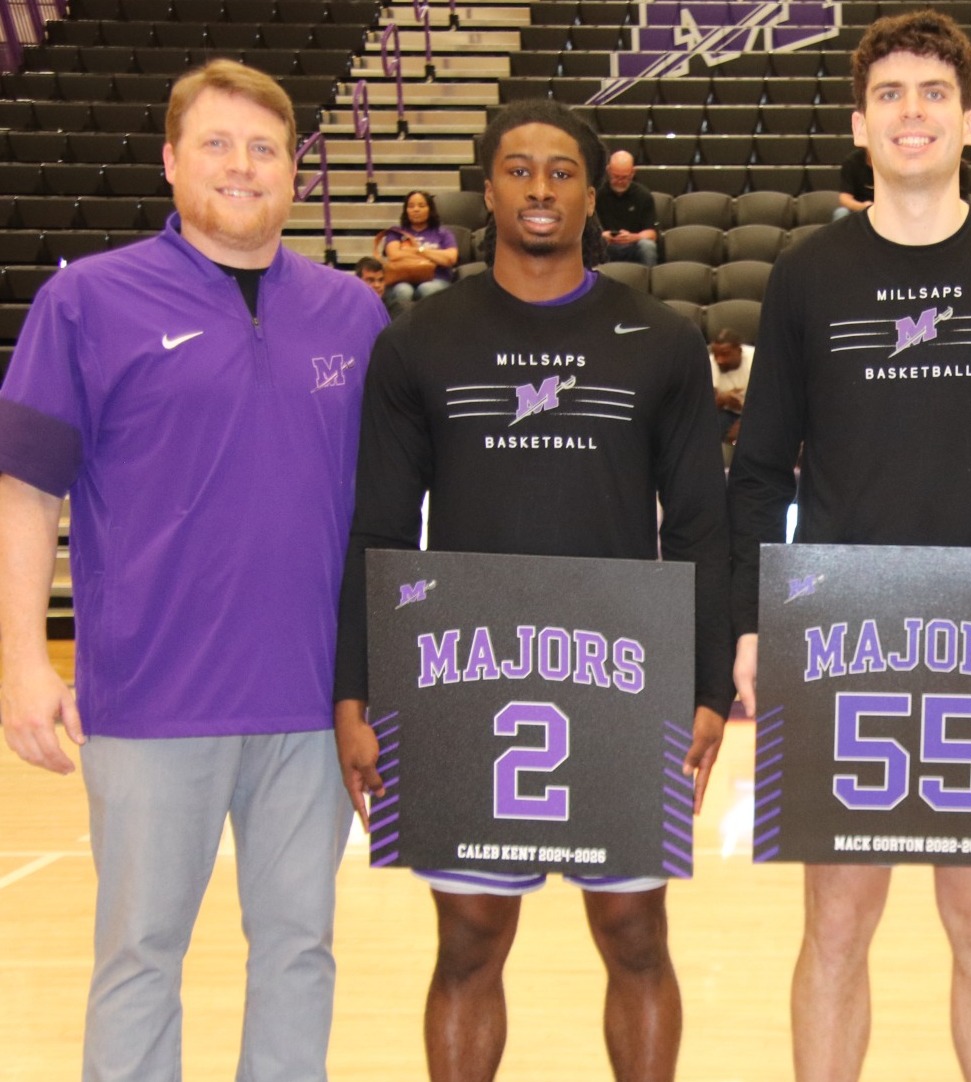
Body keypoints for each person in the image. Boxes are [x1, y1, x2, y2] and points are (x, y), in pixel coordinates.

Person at [726, 12, 971, 1079]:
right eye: (891, 94)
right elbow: (758, 471)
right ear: (860, 123)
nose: (913, 112)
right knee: (837, 925)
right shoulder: (809, 273)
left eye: (934, 94)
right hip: (837, 625)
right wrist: (751, 623)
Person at [0, 59, 387, 1081]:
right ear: (171, 160)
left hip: (310, 701)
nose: (242, 166)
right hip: (147, 697)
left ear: (295, 173)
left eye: (264, 148)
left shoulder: (354, 315)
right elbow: (25, 492)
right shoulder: (86, 300)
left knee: (300, 948)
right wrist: (22, 662)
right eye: (216, 143)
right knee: (138, 955)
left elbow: (393, 512)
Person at [331, 99, 732, 1082]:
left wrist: (707, 680)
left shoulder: (659, 338)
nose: (541, 187)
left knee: (636, 933)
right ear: (488, 186)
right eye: (519, 169)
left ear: (595, 193)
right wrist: (357, 686)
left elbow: (697, 527)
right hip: (462, 670)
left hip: (622, 667)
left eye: (562, 170)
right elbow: (380, 525)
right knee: (468, 939)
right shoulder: (420, 341)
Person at [378, 189, 459, 303]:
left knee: (426, 289)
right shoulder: (396, 233)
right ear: (406, 211)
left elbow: (450, 259)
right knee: (403, 290)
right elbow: (394, 255)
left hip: (437, 279)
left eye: (421, 206)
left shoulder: (443, 233)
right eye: (411, 206)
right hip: (403, 279)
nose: (416, 209)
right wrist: (434, 256)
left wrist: (418, 250)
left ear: (430, 209)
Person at [599, 149, 659, 266]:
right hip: (605, 245)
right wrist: (601, 235)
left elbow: (651, 233)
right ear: (608, 171)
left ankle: (649, 282)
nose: (620, 181)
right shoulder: (596, 195)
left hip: (632, 245)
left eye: (625, 177)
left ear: (633, 173)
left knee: (648, 246)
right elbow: (584, 229)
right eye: (616, 177)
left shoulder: (643, 195)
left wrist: (634, 237)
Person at [709, 327, 753, 453]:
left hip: (757, 413)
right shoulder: (710, 363)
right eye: (716, 355)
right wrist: (723, 399)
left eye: (725, 354)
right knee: (710, 427)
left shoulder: (757, 360)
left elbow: (770, 402)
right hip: (727, 412)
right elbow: (707, 407)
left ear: (739, 351)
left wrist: (744, 423)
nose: (719, 360)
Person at [836, 146, 874, 219]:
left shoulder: (892, 162)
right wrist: (863, 207)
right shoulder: (852, 162)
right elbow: (844, 198)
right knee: (841, 212)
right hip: (858, 209)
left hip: (885, 210)